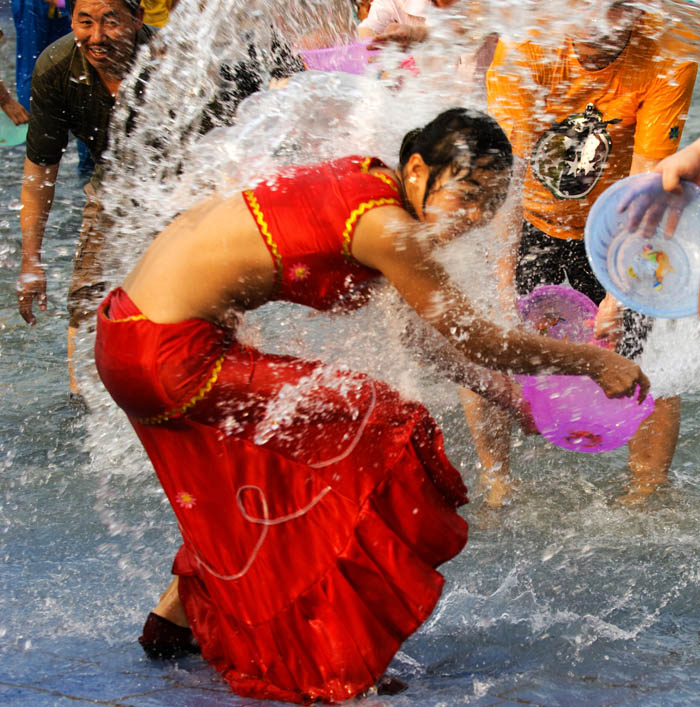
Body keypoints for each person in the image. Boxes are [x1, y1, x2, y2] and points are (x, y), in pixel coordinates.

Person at [94, 108, 648, 703]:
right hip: (172, 356)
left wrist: (509, 398)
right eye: (466, 194)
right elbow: (476, 338)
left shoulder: (369, 185)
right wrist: (594, 362)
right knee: (385, 425)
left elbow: (419, 334)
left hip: (128, 332)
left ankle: (175, 623)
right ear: (417, 168)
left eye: (490, 204)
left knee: (270, 474)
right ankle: (326, 661)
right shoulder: (389, 229)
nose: (475, 217)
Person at [461, 0, 698, 507]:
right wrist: (501, 286)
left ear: (639, 11)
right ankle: (498, 480)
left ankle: (645, 491)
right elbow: (509, 174)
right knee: (490, 344)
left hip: (616, 227)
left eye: (615, 9)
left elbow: (647, 185)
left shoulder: (669, 53)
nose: (596, 22)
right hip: (529, 221)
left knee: (645, 351)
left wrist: (623, 289)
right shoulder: (527, 45)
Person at [15, 0, 153, 398]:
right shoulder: (57, 67)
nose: (97, 37)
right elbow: (40, 172)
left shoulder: (171, 63)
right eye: (85, 22)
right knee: (87, 296)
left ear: (138, 18)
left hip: (182, 185)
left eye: (111, 22)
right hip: (113, 185)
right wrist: (30, 261)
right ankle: (83, 400)